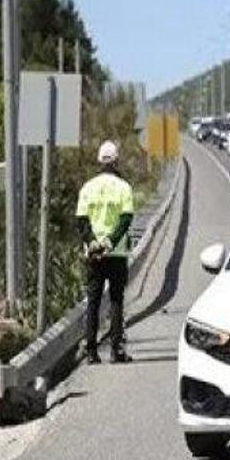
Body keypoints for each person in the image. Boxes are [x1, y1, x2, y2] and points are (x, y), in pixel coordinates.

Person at [76, 140, 135, 364]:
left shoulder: (87, 188)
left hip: (93, 254)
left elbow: (81, 220)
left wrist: (92, 242)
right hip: (117, 253)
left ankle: (91, 352)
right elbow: (126, 219)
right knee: (116, 300)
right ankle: (116, 350)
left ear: (99, 161)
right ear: (116, 161)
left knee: (93, 300)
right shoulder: (123, 187)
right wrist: (110, 242)